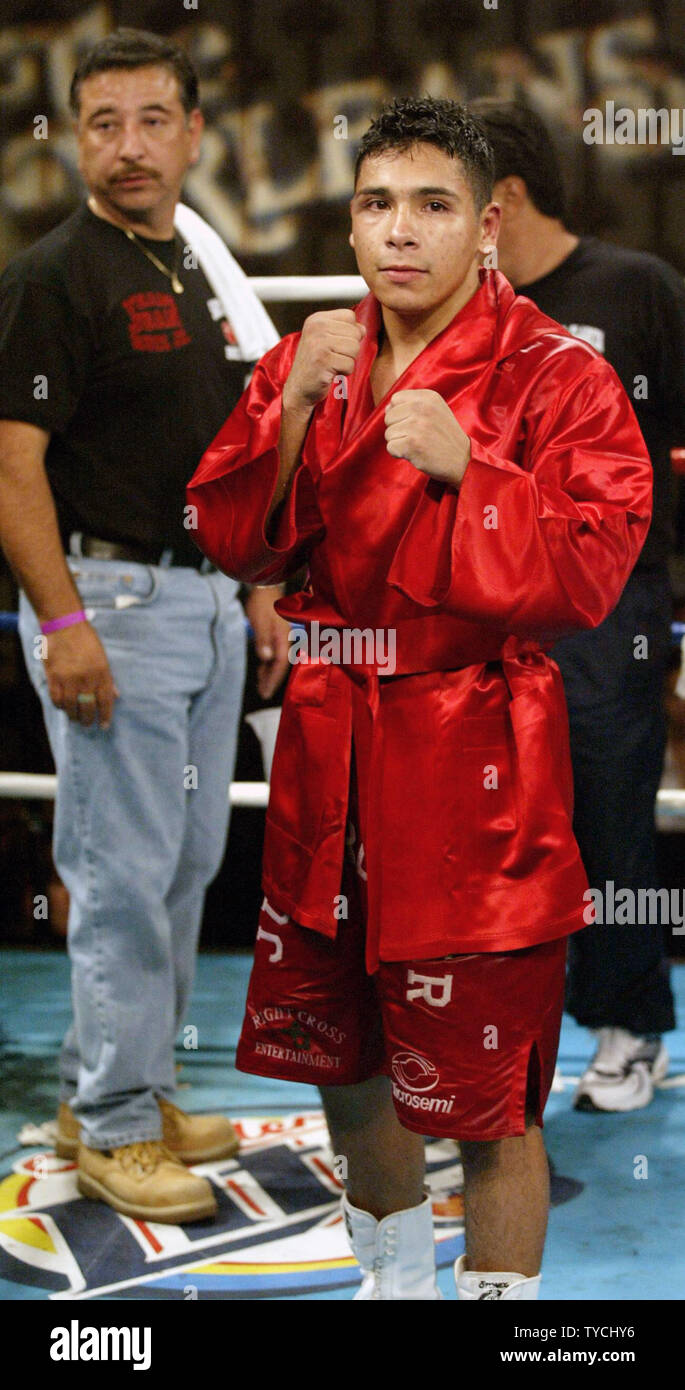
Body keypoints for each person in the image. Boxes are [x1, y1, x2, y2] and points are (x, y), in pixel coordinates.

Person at [188, 97, 652, 1300]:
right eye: (376, 202)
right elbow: (228, 538)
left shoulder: (558, 373)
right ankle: (392, 1286)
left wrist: (473, 469)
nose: (399, 231)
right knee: (348, 1071)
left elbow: (592, 574)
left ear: (487, 224)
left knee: (490, 1104)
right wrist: (288, 414)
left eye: (432, 205)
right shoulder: (312, 359)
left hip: (472, 762)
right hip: (328, 751)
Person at [0, 28, 289, 1224]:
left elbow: (230, 455)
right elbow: (10, 468)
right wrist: (61, 619)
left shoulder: (197, 267)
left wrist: (259, 585)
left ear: (192, 134)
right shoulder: (52, 274)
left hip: (207, 598)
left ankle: (124, 1083)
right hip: (106, 601)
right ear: (74, 135)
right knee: (119, 874)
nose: (129, 146)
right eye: (104, 122)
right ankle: (116, 1127)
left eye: (152, 119)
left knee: (183, 865)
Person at [471, 99, 684, 1112]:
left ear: (501, 200)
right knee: (485, 824)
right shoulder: (459, 311)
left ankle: (628, 1025)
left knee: (608, 815)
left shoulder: (636, 290)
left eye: (449, 201)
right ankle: (493, 1033)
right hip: (483, 608)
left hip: (611, 609)